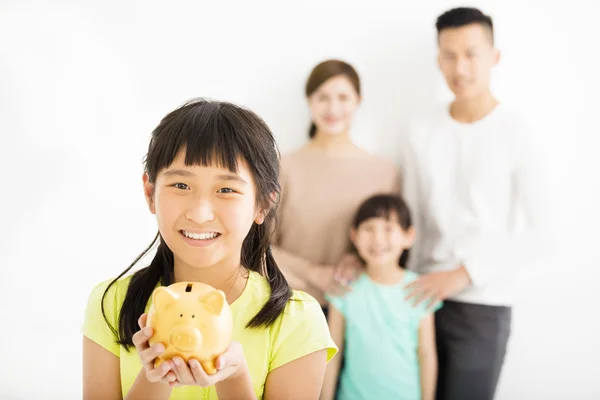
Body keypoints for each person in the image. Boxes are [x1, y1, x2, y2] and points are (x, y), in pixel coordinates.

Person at [81, 98, 338, 400]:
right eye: (181, 185)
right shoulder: (112, 303)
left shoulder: (297, 320)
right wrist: (158, 375)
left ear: (263, 205)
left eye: (226, 190)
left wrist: (235, 377)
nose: (200, 213)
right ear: (150, 193)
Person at [399, 7, 551, 400]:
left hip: (482, 301)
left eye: (471, 54)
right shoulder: (420, 127)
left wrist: (462, 274)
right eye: (449, 56)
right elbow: (409, 213)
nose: (460, 67)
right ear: (437, 60)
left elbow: (542, 231)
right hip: (418, 296)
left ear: (494, 57)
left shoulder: (517, 130)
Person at [272, 59, 400, 313]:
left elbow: (395, 243)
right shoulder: (282, 167)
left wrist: (361, 257)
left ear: (358, 101)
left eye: (343, 97)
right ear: (309, 102)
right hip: (293, 306)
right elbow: (257, 246)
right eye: (322, 98)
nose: (333, 108)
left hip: (361, 309)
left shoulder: (384, 172)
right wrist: (313, 272)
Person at [321, 194, 441, 400]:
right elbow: (332, 353)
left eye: (388, 229)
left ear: (408, 236)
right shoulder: (344, 289)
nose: (378, 239)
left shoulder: (418, 289)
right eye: (368, 229)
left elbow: (427, 354)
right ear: (354, 236)